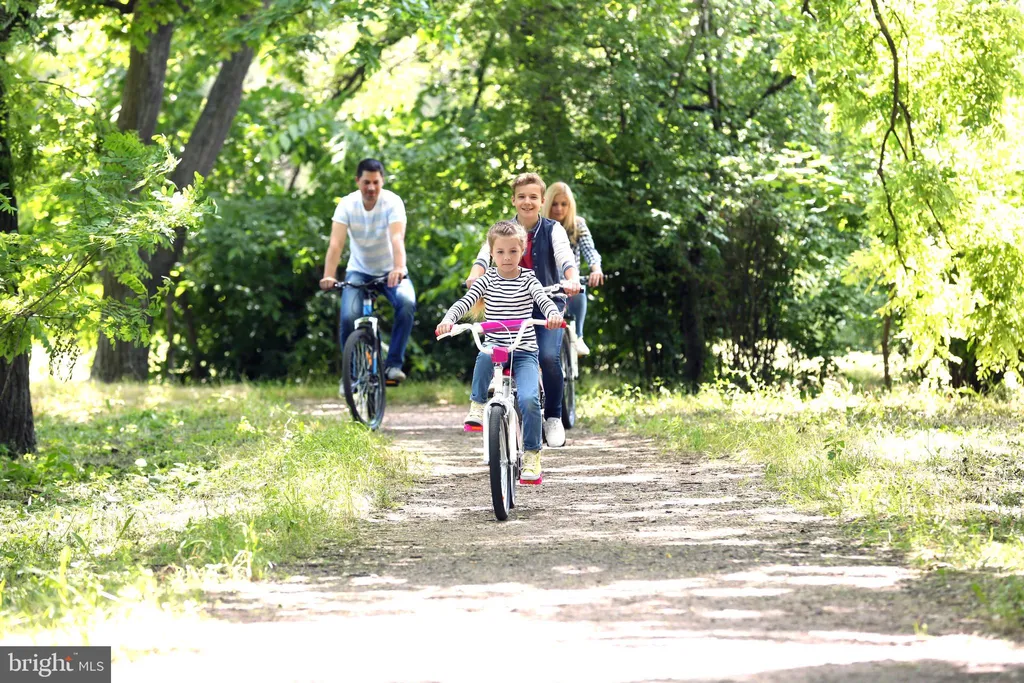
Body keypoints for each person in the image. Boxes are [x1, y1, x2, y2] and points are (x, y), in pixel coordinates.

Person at [437, 221, 563, 483]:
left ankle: (531, 454)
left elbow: (544, 301)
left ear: (522, 251)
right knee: (484, 354)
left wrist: (552, 314)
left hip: (524, 351)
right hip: (496, 348)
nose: (507, 257)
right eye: (501, 252)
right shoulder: (486, 280)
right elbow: (465, 302)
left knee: (529, 400)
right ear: (492, 253)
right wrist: (449, 319)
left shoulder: (528, 279)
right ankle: (477, 405)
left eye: (513, 251)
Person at [465, 173, 580, 448]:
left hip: (547, 303)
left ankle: (553, 417)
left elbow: (564, 257)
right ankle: (494, 402)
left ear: (542, 200)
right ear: (513, 200)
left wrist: (572, 278)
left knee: (549, 356)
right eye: (521, 196)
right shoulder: (504, 229)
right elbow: (485, 255)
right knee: (493, 351)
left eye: (533, 197)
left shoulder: (553, 229)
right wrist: (474, 276)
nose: (527, 201)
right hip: (511, 305)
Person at [319, 158, 415, 383]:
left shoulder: (392, 202)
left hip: (391, 271)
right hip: (359, 271)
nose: (371, 188)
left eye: (375, 182)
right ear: (357, 181)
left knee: (406, 303)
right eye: (366, 182)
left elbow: (397, 238)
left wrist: (398, 267)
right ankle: (351, 376)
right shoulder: (347, 204)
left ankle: (393, 366)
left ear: (382, 182)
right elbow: (336, 244)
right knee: (348, 317)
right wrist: (328, 275)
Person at [542, 181, 604, 356]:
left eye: (564, 204)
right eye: (554, 204)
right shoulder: (540, 227)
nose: (559, 209)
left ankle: (578, 336)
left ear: (570, 205)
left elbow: (589, 250)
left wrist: (596, 269)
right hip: (546, 284)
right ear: (547, 204)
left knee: (578, 289)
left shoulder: (577, 225)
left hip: (569, 282)